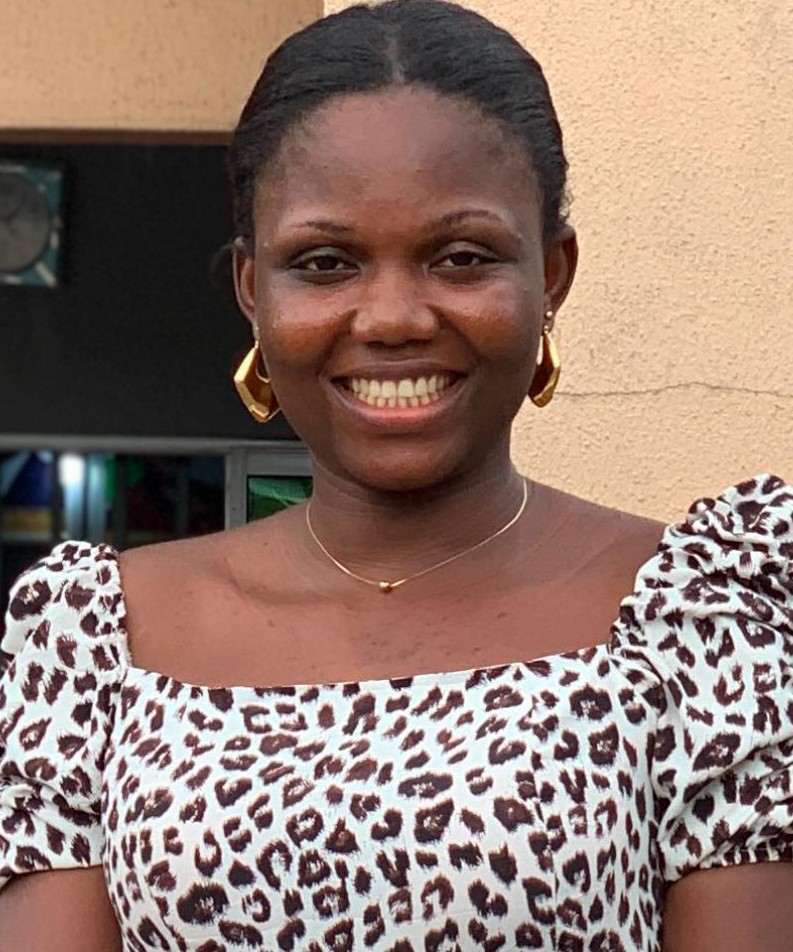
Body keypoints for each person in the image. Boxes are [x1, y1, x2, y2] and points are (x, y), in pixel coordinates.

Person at [1, 1, 791, 949]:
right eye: (324, 262)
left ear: (552, 274)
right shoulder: (93, 645)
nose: (391, 318)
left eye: (460, 257)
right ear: (253, 290)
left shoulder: (701, 624)